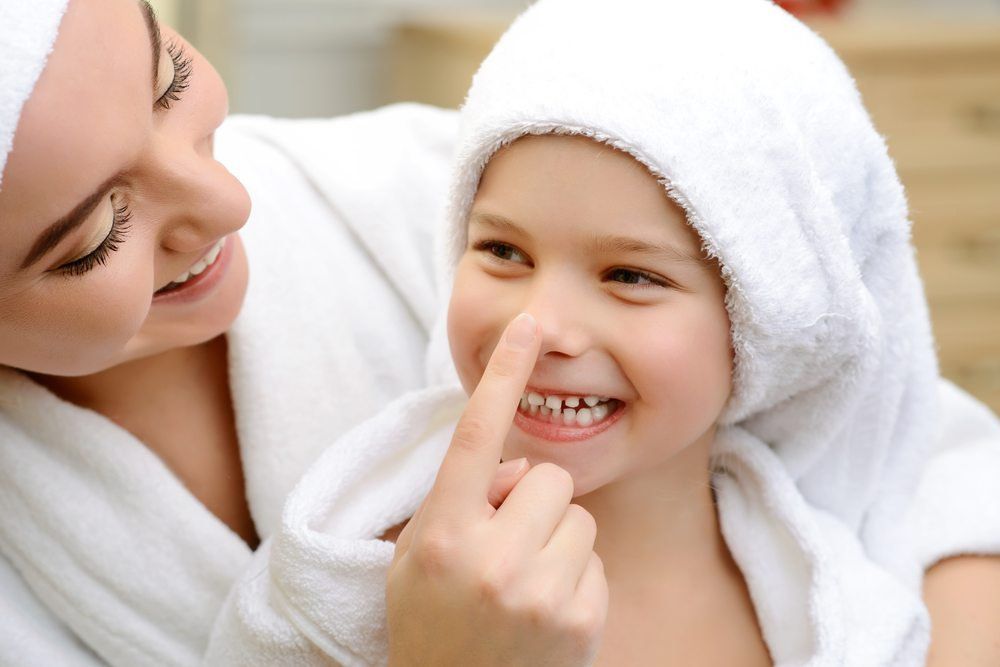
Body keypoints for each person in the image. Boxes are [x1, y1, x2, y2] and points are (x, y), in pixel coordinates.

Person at [0, 0, 997, 665]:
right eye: (93, 235)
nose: (227, 198)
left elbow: (913, 439)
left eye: (167, 80)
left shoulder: (514, 163)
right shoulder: (345, 553)